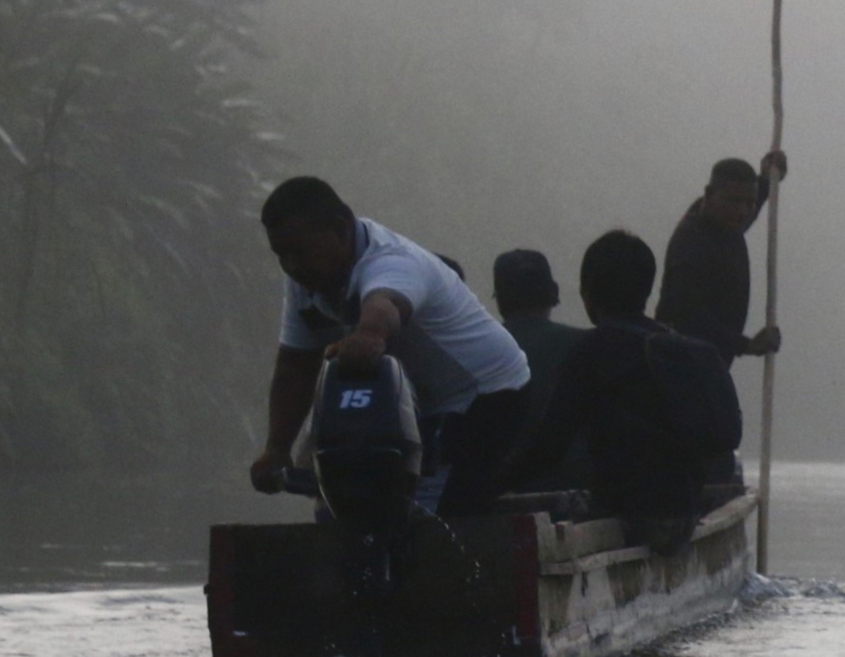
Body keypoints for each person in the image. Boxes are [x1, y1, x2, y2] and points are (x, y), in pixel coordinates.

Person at [252, 177, 531, 514]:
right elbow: (295, 367)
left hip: (488, 396)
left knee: (442, 520)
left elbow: (385, 304)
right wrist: (277, 449)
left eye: (300, 252)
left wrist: (369, 334)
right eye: (282, 255)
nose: (292, 267)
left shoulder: (393, 260)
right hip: (417, 402)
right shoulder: (306, 278)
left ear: (340, 230)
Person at [502, 230, 736, 550]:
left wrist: (489, 486)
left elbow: (548, 448)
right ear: (647, 289)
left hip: (628, 516)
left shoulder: (593, 350)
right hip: (683, 514)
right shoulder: (678, 347)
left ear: (588, 293)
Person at [656, 153, 787, 364]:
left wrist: (767, 179)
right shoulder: (692, 244)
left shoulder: (724, 223)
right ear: (709, 195)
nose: (743, 211)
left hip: (707, 365)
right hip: (677, 365)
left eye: (749, 203)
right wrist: (746, 345)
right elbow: (687, 317)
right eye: (734, 202)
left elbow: (742, 214)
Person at [492, 248, 591, 492]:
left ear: (500, 299)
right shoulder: (589, 346)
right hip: (580, 493)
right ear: (553, 293)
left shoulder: (474, 349)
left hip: (498, 494)